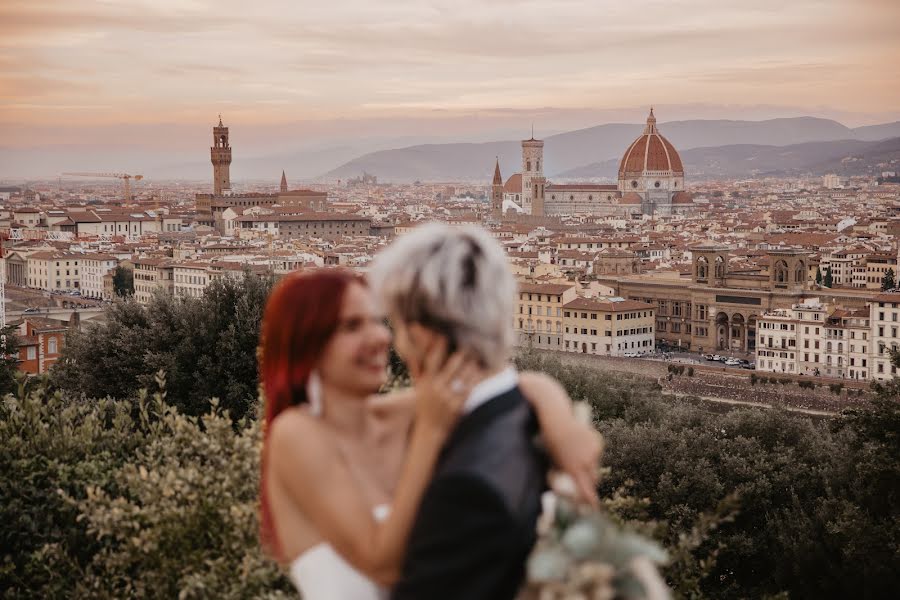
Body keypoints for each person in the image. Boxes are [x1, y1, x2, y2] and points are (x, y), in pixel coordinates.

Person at [261, 266, 600, 600]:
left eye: (377, 321)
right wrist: (429, 433)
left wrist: (563, 427)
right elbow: (381, 565)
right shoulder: (295, 433)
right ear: (306, 343)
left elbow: (519, 385)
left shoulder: (399, 416)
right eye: (352, 326)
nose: (381, 337)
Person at [368, 222, 570, 600]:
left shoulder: (465, 489)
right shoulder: (524, 415)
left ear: (423, 337)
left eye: (395, 326)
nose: (393, 343)